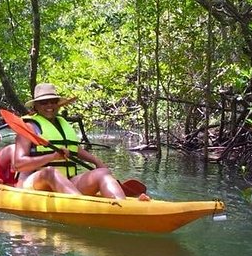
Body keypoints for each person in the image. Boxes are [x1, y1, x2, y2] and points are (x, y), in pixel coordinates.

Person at [14, 83, 150, 200]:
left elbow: (75, 149)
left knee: (102, 173)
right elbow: (19, 165)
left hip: (64, 182)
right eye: (44, 102)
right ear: (36, 106)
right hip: (33, 183)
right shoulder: (29, 127)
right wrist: (51, 156)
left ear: (58, 104)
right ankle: (81, 204)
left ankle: (122, 205)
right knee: (50, 172)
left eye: (53, 101)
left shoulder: (62, 124)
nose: (49, 105)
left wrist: (96, 161)